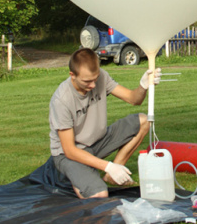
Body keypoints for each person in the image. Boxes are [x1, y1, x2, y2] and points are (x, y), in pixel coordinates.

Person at [49, 47, 161, 199]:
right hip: (69, 154)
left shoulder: (101, 77)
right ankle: (84, 175)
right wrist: (108, 166)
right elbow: (69, 150)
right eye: (87, 81)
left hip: (98, 142)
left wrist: (143, 86)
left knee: (143, 120)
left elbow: (134, 99)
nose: (93, 85)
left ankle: (110, 176)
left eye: (95, 79)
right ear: (72, 75)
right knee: (100, 195)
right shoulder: (62, 100)